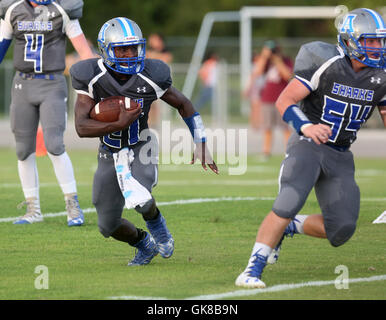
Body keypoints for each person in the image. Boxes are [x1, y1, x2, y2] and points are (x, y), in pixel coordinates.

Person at [235, 8, 386, 288]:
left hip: (341, 153)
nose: (378, 47)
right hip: (309, 143)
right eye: (371, 41)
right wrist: (306, 127)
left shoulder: (382, 75)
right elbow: (285, 100)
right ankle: (252, 269)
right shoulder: (325, 60)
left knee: (341, 230)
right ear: (351, 40)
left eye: (380, 41)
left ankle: (291, 226)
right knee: (288, 200)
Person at [70, 17, 218, 266]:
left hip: (142, 144)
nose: (129, 54)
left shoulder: (152, 74)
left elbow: (184, 104)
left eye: (133, 48)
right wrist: (118, 124)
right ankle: (144, 244)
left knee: (140, 197)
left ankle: (158, 225)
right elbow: (81, 127)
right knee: (108, 225)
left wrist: (200, 141)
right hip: (110, 150)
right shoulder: (90, 75)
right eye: (121, 49)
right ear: (106, 50)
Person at [0, 0, 94, 226]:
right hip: (22, 84)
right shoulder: (13, 10)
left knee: (54, 144)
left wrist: (96, 79)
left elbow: (84, 52)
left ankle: (72, 205)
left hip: (52, 84)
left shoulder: (63, 10)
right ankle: (33, 208)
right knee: (23, 150)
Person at [250, 40, 293, 159]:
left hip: (283, 98)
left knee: (286, 127)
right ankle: (266, 151)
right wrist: (264, 57)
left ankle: (289, 151)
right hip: (267, 98)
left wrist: (277, 60)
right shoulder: (266, 62)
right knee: (267, 127)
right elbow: (257, 72)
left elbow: (287, 75)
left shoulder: (286, 60)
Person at [145, 32, 173, 129]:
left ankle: (160, 124)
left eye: (153, 39)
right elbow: (146, 58)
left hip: (162, 82)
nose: (151, 42)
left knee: (162, 105)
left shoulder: (165, 50)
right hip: (151, 81)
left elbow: (166, 58)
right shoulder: (149, 50)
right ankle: (150, 124)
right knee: (150, 104)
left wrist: (152, 55)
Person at [243, 52, 264, 130]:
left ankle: (255, 124)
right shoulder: (256, 66)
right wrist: (248, 89)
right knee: (256, 107)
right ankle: (256, 124)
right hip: (256, 87)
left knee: (256, 107)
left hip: (257, 87)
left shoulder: (255, 66)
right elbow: (253, 77)